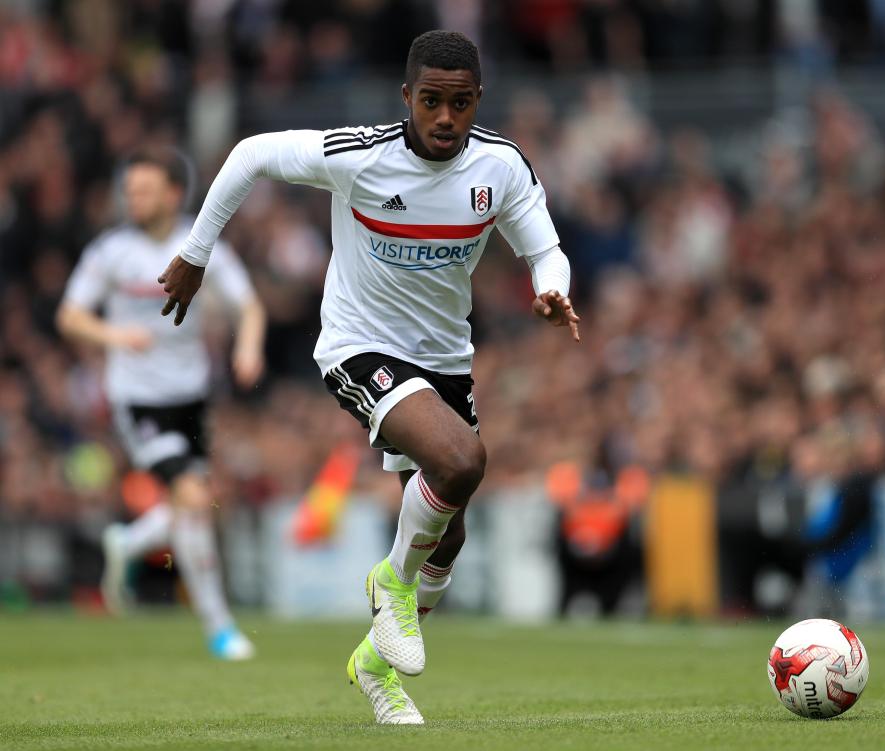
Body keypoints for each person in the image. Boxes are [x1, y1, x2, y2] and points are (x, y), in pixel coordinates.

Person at [156, 30, 580, 723]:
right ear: (407, 97)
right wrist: (197, 251)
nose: (446, 118)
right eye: (433, 102)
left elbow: (546, 245)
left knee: (452, 532)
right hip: (359, 346)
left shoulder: (499, 167)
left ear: (478, 102)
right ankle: (390, 583)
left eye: (462, 104)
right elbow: (249, 154)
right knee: (461, 458)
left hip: (444, 359)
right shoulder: (361, 156)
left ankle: (377, 666)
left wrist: (551, 286)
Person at [57, 147, 266, 661]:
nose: (134, 199)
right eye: (129, 191)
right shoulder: (111, 252)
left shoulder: (199, 243)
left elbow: (249, 305)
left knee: (193, 507)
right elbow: (70, 315)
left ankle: (129, 544)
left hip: (191, 396)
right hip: (139, 399)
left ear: (174, 193)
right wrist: (113, 335)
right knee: (194, 500)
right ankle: (220, 629)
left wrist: (248, 347)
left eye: (145, 190)